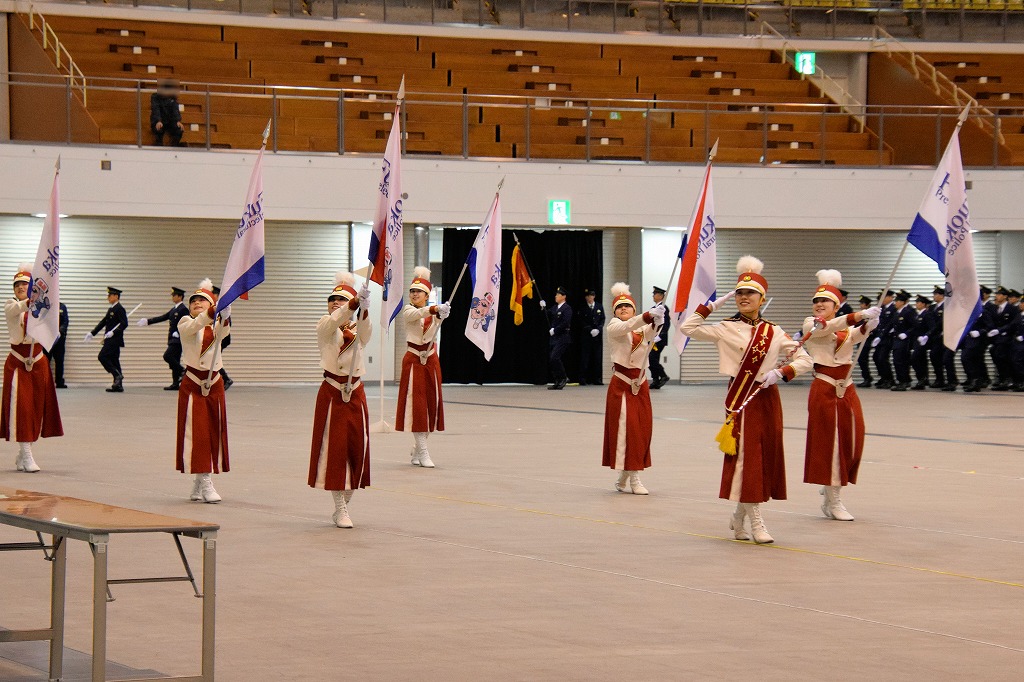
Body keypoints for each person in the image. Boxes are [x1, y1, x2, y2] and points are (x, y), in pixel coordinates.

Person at [679, 256, 812, 544]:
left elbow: (805, 359)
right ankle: (755, 521)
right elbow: (686, 328)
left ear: (761, 298)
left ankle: (739, 516)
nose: (743, 297)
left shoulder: (773, 331)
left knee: (761, 458)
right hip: (741, 397)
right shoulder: (726, 327)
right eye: (739, 292)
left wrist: (781, 372)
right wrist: (713, 305)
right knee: (746, 458)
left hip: (766, 397)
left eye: (749, 293)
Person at [801, 270, 879, 522]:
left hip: (847, 389)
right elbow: (827, 328)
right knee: (829, 444)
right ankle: (834, 499)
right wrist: (857, 316)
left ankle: (831, 485)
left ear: (836, 305)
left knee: (852, 440)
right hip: (824, 389)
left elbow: (853, 336)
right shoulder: (811, 324)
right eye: (816, 301)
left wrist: (868, 325)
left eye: (825, 302)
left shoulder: (843, 329)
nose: (819, 305)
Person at [309, 273, 372, 528]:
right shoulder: (325, 324)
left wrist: (364, 310)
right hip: (333, 392)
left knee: (358, 449)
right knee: (335, 450)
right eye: (332, 299)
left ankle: (345, 501)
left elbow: (366, 335)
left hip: (355, 393)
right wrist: (352, 304)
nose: (336, 303)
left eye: (341, 299)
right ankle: (340, 507)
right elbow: (334, 322)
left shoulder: (356, 329)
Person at [602, 283, 662, 495]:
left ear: (633, 309)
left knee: (642, 431)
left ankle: (625, 475)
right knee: (627, 432)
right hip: (622, 385)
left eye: (628, 307)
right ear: (615, 312)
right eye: (620, 308)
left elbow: (651, 332)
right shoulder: (614, 327)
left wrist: (658, 320)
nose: (624, 310)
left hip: (641, 384)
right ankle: (635, 477)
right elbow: (628, 327)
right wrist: (647, 315)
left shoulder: (640, 327)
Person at [3, 264, 63, 472]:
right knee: (22, 409)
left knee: (36, 409)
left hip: (38, 362)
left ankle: (22, 453)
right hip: (19, 363)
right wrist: (31, 301)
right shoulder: (11, 305)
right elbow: (17, 309)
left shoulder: (42, 308)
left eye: (25, 284)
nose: (20, 287)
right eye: (17, 284)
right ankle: (27, 454)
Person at [175, 279, 230, 503]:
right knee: (196, 434)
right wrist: (212, 312)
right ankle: (206, 481)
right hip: (193, 384)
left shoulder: (214, 326)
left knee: (212, 432)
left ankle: (199, 482)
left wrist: (226, 312)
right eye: (194, 301)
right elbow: (194, 326)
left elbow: (224, 331)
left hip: (214, 383)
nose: (197, 302)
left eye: (202, 300)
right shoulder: (185, 321)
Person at [396, 267, 449, 468]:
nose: (415, 294)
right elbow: (418, 314)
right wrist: (435, 309)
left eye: (419, 292)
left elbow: (437, 318)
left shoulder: (433, 312)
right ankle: (424, 451)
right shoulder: (409, 310)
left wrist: (443, 313)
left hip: (431, 361)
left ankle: (417, 449)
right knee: (416, 408)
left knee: (431, 407)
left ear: (427, 295)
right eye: (412, 291)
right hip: (413, 361)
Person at [137, 286, 188, 390]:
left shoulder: (183, 309)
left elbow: (187, 323)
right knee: (175, 360)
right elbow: (163, 317)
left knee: (167, 356)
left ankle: (183, 371)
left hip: (178, 339)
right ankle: (175, 383)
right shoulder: (174, 309)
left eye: (174, 295)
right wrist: (148, 321)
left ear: (180, 296)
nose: (172, 297)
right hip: (172, 339)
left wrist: (179, 332)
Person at [85, 286, 128, 392]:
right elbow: (103, 322)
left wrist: (113, 332)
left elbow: (124, 324)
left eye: (110, 295)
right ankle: (118, 385)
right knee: (114, 360)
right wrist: (92, 333)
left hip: (114, 340)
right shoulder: (111, 309)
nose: (108, 297)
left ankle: (117, 375)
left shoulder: (120, 309)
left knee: (102, 356)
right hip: (109, 339)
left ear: (116, 296)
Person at [962, 285, 994, 392]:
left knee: (972, 359)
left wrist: (980, 332)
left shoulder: (983, 311)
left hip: (979, 341)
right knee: (969, 359)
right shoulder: (969, 311)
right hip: (969, 340)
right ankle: (974, 381)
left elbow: (990, 326)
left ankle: (976, 381)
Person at [988, 286, 1020, 391]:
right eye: (997, 294)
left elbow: (1014, 324)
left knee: (1002, 355)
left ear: (1005, 296)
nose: (997, 296)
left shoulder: (1013, 309)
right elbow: (992, 322)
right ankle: (1003, 378)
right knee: (995, 354)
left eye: (999, 294)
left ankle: (1007, 379)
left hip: (1009, 338)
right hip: (997, 338)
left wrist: (1001, 331)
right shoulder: (996, 308)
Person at [542, 286, 572, 390]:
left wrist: (555, 330)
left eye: (558, 295)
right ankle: (557, 380)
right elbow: (547, 314)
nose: (556, 296)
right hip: (554, 338)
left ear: (563, 296)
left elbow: (565, 322)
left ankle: (563, 377)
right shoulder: (555, 308)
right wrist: (543, 307)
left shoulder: (567, 308)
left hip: (563, 337)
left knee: (555, 357)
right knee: (552, 359)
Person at [928, 285, 958, 391]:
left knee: (947, 359)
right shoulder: (932, 308)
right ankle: (939, 379)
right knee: (934, 356)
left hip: (948, 337)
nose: (934, 296)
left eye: (936, 294)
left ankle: (952, 381)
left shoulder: (948, 306)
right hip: (936, 338)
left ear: (942, 296)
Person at [889, 290, 916, 392]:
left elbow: (915, 326)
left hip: (904, 341)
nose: (895, 303)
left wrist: (907, 334)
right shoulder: (897, 313)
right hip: (896, 341)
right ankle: (901, 380)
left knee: (901, 361)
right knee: (897, 361)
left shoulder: (908, 312)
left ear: (902, 302)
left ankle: (904, 382)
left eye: (897, 301)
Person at [577, 289, 605, 386]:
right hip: (586, 336)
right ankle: (583, 378)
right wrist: (589, 329)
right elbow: (581, 321)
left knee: (597, 358)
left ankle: (597, 379)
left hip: (597, 336)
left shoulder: (599, 306)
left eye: (592, 296)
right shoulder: (583, 307)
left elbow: (602, 319)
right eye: (588, 296)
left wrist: (598, 329)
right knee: (585, 358)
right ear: (586, 297)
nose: (590, 297)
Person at [871, 290, 896, 389]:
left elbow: (891, 324)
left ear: (890, 297)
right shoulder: (883, 308)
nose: (881, 300)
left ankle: (890, 379)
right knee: (876, 357)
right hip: (880, 338)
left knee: (882, 358)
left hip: (887, 338)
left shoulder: (893, 308)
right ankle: (883, 377)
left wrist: (881, 335)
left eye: (883, 297)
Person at [910, 294, 936, 390]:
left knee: (915, 359)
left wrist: (926, 336)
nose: (916, 304)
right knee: (920, 360)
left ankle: (922, 379)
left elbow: (933, 327)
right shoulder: (918, 314)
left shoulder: (927, 314)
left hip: (923, 342)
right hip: (917, 341)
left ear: (923, 304)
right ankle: (923, 379)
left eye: (918, 302)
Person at [211, 285, 234, 390]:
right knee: (213, 358)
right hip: (216, 338)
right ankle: (221, 379)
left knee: (214, 358)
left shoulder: (222, 306)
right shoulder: (214, 306)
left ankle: (226, 379)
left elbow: (228, 323)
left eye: (213, 294)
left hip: (222, 338)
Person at [648, 285, 671, 390]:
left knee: (651, 358)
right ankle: (656, 380)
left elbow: (666, 324)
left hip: (658, 339)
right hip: (652, 338)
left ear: (661, 296)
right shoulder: (654, 308)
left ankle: (663, 375)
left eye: (655, 294)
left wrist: (660, 336)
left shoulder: (663, 308)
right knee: (652, 359)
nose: (653, 296)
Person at [150, 78, 185, 147]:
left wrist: (177, 120)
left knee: (179, 129)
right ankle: (159, 143)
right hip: (159, 120)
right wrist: (158, 120)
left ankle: (175, 144)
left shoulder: (172, 98)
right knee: (159, 128)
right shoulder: (155, 97)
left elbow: (175, 109)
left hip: (169, 121)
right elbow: (155, 109)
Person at [856, 295, 874, 388]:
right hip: (859, 339)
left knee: (863, 359)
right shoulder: (861, 315)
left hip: (867, 340)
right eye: (861, 303)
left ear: (867, 305)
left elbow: (873, 327)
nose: (861, 305)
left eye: (862, 303)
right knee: (861, 360)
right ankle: (866, 378)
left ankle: (867, 378)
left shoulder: (871, 315)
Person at [50, 301, 68, 388]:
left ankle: (59, 382)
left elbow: (65, 321)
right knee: (45, 361)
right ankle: (45, 381)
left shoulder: (62, 306)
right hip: (47, 338)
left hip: (59, 339)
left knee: (59, 361)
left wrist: (59, 331)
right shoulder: (46, 305)